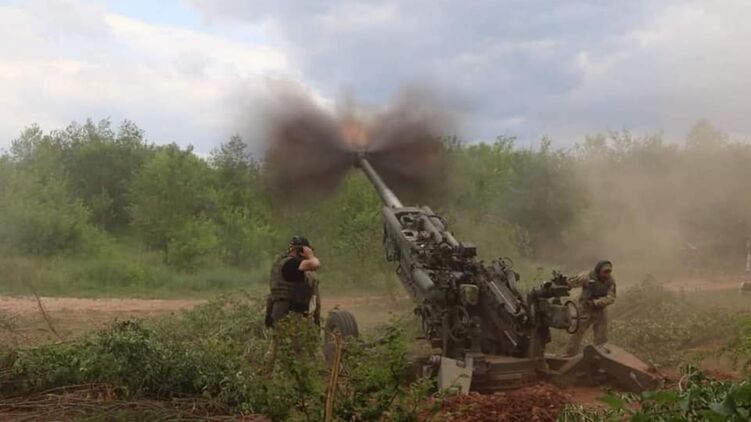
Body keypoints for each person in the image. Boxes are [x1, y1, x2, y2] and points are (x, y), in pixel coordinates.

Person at [265, 235, 321, 328]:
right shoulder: (292, 264)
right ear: (302, 251)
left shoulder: (279, 264)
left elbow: (272, 297)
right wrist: (310, 256)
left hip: (278, 312)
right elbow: (315, 264)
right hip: (293, 316)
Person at [563, 260, 616, 357]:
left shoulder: (610, 281)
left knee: (601, 338)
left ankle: (600, 357)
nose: (607, 275)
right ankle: (569, 354)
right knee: (577, 333)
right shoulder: (587, 276)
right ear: (598, 270)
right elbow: (571, 283)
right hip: (584, 309)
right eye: (605, 272)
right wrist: (565, 285)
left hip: (600, 311)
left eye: (609, 272)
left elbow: (611, 298)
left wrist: (596, 302)